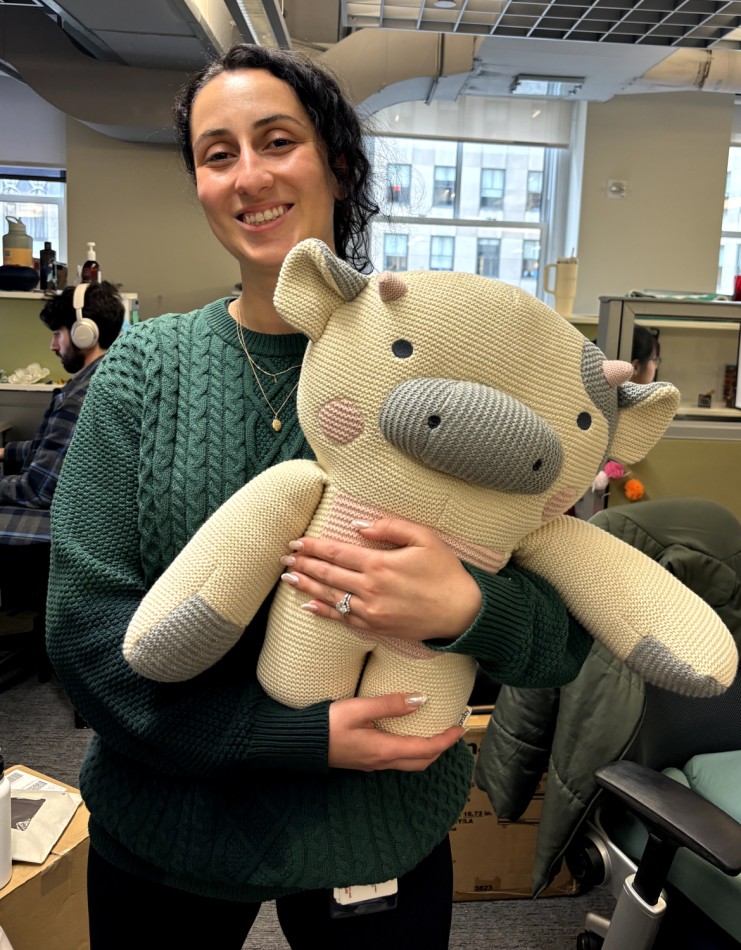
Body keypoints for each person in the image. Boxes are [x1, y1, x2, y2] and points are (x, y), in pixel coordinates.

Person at [45, 45, 592, 950]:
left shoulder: (454, 360)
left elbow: (563, 639)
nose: (250, 175)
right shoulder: (144, 371)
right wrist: (298, 738)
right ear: (198, 183)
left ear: (338, 162)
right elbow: (86, 639)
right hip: (167, 821)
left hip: (377, 831)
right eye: (218, 154)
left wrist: (468, 607)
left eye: (276, 141)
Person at [0, 281, 124, 545]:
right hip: (88, 515)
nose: (52, 346)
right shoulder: (103, 377)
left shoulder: (81, 397)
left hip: (70, 528)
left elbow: (38, 489)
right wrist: (5, 451)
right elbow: (60, 449)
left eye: (57, 333)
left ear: (84, 333)